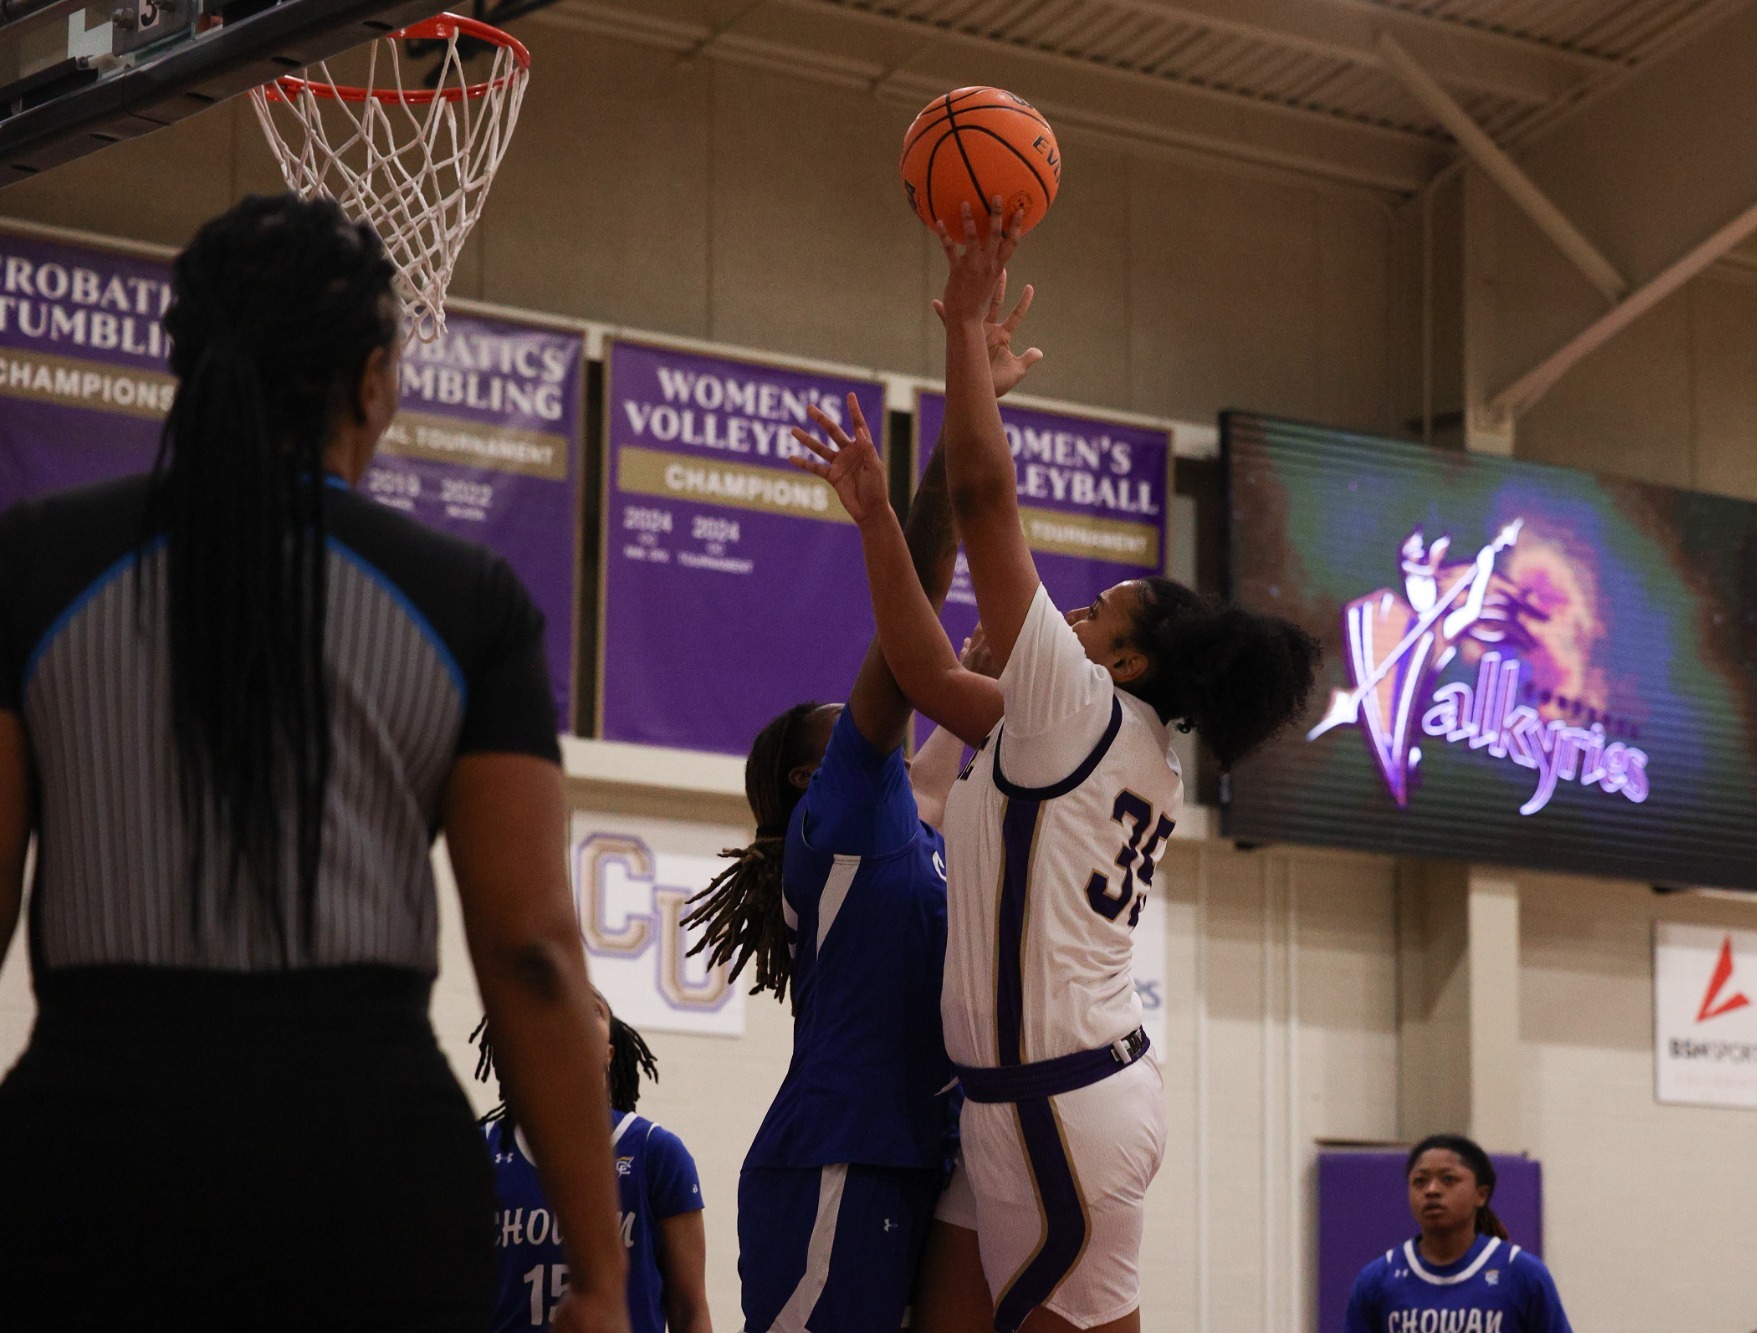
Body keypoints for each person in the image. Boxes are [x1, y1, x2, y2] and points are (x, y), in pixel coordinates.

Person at [0, 195, 627, 1333]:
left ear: (182, 367)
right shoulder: (466, 599)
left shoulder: (30, 564)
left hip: (90, 1159)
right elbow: (531, 951)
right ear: (375, 380)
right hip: (365, 1169)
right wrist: (598, 1275)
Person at [787, 201, 1320, 1333]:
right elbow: (927, 671)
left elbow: (987, 500)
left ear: (1125, 659)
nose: (1070, 609)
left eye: (1097, 608)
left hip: (1056, 1102)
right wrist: (879, 518)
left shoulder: (1080, 709)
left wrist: (963, 328)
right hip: (1028, 1100)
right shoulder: (1096, 734)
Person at [686, 275, 1043, 1333]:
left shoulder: (897, 831)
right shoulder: (837, 822)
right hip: (840, 1156)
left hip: (908, 1161)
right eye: (845, 723)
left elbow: (932, 746)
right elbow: (910, 629)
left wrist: (984, 386)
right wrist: (958, 389)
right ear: (811, 776)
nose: (871, 722)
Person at [475, 989, 713, 1333]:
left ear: (608, 1052)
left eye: (592, 1010)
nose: (572, 1012)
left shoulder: (656, 1152)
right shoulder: (479, 1151)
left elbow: (690, 1310)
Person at [1343, 1135, 1573, 1333]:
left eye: (1448, 1179)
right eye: (1420, 1181)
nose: (1432, 1190)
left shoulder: (1522, 1273)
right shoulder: (1378, 1279)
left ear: (1480, 1195)